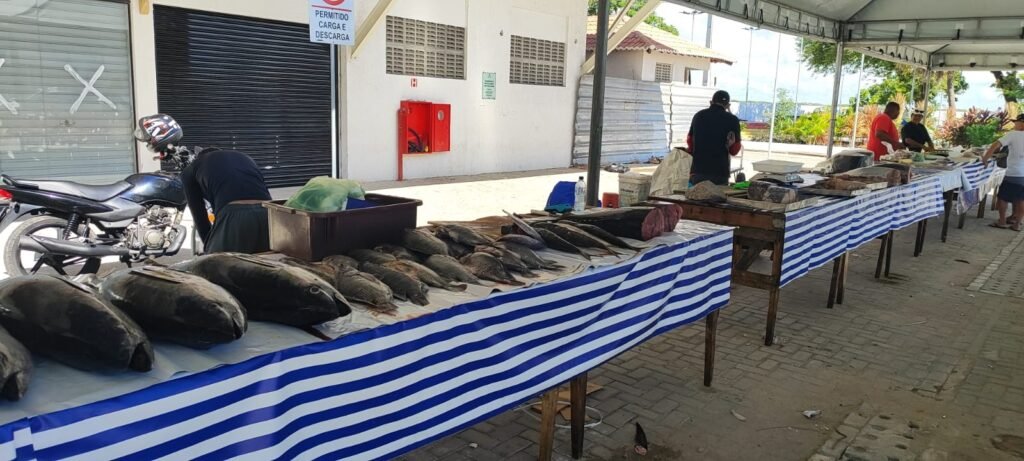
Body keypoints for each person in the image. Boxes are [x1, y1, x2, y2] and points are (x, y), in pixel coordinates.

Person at [134, 114, 273, 253]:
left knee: (219, 267)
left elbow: (200, 216)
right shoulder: (244, 157)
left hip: (234, 216)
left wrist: (208, 248)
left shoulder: (190, 170)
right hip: (269, 214)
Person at [686, 90, 742, 185]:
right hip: (720, 173)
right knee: (717, 199)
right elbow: (734, 150)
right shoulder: (733, 120)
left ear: (711, 102)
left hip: (699, 171)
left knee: (696, 198)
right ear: (728, 105)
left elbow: (690, 142)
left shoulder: (698, 116)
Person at [982, 113, 1024, 231]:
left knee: (1002, 198)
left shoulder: (1013, 134)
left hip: (1014, 172)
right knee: (1021, 198)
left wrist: (985, 159)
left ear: (1021, 124)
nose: (1015, 124)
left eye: (1017, 122)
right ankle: (1017, 223)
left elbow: (995, 145)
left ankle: (1001, 221)